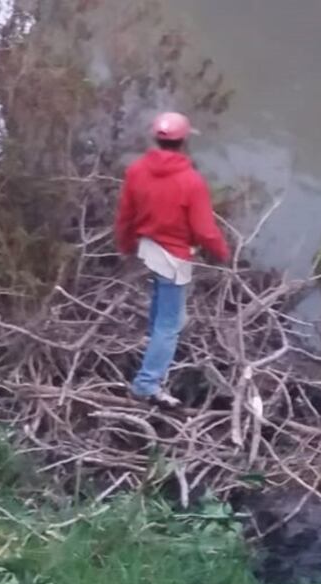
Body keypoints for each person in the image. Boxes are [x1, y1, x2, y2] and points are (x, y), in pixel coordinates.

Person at [115, 111, 230, 408]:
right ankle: (146, 384)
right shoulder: (191, 181)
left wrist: (125, 245)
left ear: (155, 138)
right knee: (171, 323)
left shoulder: (137, 171)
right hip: (173, 257)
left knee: (160, 304)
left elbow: (125, 216)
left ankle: (150, 345)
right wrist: (223, 254)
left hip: (148, 249)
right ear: (184, 141)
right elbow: (205, 229)